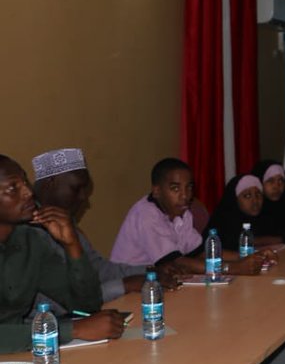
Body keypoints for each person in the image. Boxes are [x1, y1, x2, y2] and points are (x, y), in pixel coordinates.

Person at [0, 154, 123, 351]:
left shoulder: (30, 240)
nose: (28, 192)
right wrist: (72, 330)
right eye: (13, 188)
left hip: (19, 357)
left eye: (25, 181)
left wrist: (71, 245)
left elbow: (85, 306)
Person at [32, 147, 178, 298]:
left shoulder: (62, 220)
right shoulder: (27, 231)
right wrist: (125, 285)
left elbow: (98, 269)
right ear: (50, 182)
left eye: (85, 190)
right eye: (76, 189)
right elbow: (64, 302)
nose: (83, 198)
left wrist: (150, 271)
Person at [111, 158, 266, 275]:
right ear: (157, 191)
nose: (185, 195)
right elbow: (176, 263)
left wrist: (250, 257)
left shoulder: (183, 213)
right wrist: (233, 268)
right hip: (132, 285)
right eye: (175, 188)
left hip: (161, 280)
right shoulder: (146, 215)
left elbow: (200, 252)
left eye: (189, 187)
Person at [209, 174, 285, 250]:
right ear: (235, 199)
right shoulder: (223, 221)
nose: (255, 201)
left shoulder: (265, 216)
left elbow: (282, 232)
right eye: (247, 196)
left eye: (258, 194)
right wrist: (282, 238)